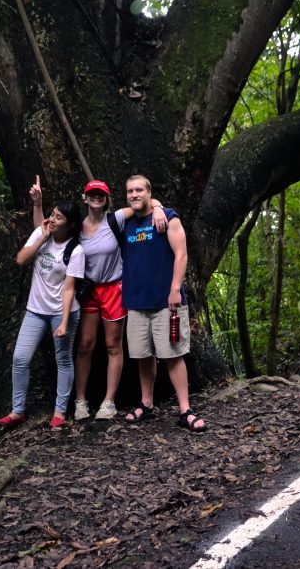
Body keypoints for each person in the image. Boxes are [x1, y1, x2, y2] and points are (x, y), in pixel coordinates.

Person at [30, 176, 165, 420]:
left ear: (106, 200)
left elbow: (143, 201)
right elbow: (45, 229)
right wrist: (38, 204)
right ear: (85, 198)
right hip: (88, 290)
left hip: (114, 288)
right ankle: (81, 401)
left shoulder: (116, 219)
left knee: (114, 346)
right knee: (85, 345)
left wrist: (157, 208)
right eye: (92, 194)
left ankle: (109, 401)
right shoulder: (77, 227)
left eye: (100, 195)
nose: (96, 198)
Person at [118, 175, 207, 432]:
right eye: (129, 191)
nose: (134, 195)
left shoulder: (168, 217)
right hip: (136, 302)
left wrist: (175, 289)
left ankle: (185, 409)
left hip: (166, 302)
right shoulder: (126, 223)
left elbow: (181, 254)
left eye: (139, 190)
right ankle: (146, 404)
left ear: (149, 192)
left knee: (173, 355)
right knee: (143, 356)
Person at [0, 194, 84, 429]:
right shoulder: (42, 233)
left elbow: (69, 288)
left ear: (71, 224)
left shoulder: (75, 251)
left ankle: (60, 411)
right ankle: (17, 411)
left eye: (59, 217)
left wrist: (64, 323)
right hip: (35, 310)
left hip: (62, 311)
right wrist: (42, 237)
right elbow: (21, 260)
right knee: (20, 358)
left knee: (63, 360)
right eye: (52, 214)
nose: (53, 219)